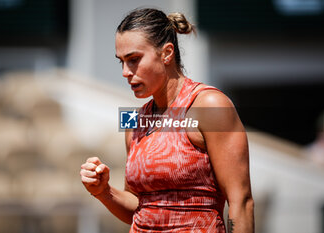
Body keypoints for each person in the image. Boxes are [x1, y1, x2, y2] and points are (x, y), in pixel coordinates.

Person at [80, 8, 254, 233]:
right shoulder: (134, 120)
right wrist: (103, 192)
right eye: (121, 62)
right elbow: (139, 206)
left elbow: (241, 201)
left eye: (134, 59)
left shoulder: (210, 105)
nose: (125, 71)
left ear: (167, 53)